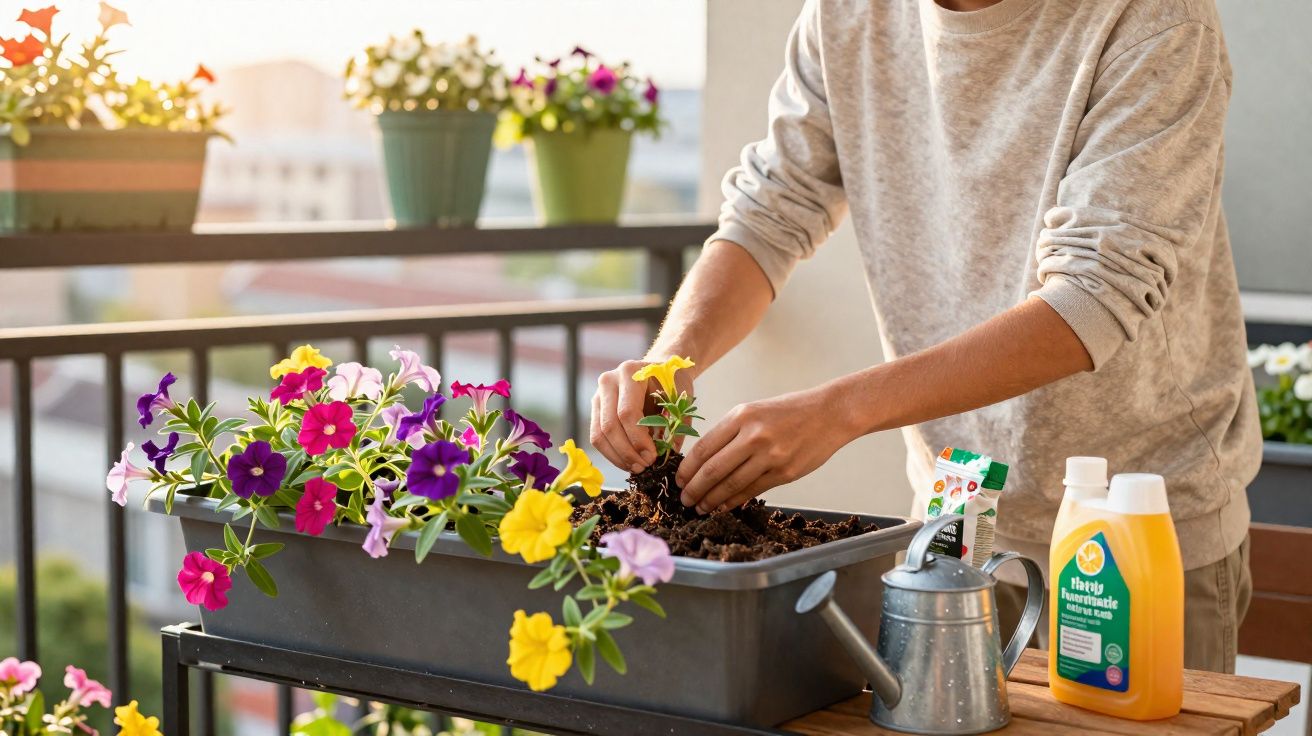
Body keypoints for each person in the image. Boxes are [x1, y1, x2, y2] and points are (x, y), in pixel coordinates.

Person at [590, 0, 1259, 673]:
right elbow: (770, 210)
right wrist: (669, 359)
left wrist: (839, 410)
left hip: (1136, 530)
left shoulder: (1153, 17)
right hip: (956, 520)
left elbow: (1094, 294)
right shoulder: (845, 15)